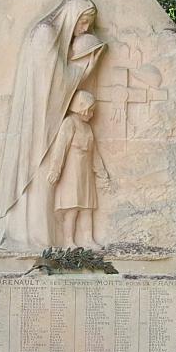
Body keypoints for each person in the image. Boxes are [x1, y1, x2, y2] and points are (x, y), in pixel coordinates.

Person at [0, 0, 106, 251]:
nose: (83, 29)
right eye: (82, 22)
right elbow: (52, 82)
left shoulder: (52, 36)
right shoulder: (45, 33)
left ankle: (49, 240)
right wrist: (84, 69)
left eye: (87, 24)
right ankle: (31, 237)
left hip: (48, 120)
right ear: (71, 15)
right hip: (39, 123)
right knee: (37, 177)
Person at [48, 91, 108, 248]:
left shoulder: (88, 128)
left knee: (87, 207)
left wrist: (101, 172)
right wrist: (55, 170)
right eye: (91, 109)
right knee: (72, 208)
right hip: (71, 173)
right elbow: (60, 148)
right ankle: (69, 241)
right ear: (83, 108)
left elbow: (93, 152)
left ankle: (88, 239)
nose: (92, 113)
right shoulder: (69, 123)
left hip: (85, 173)